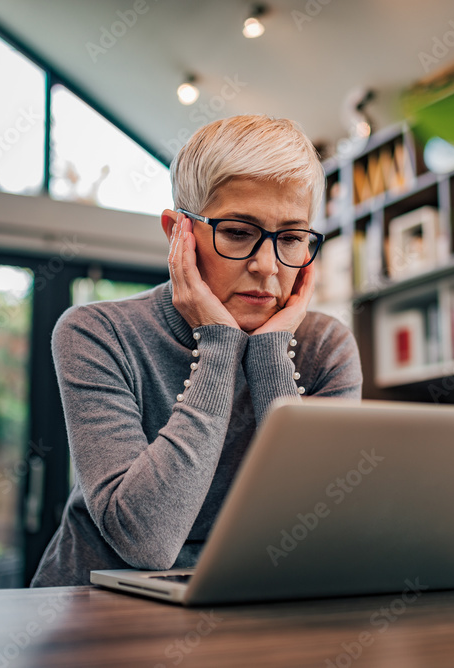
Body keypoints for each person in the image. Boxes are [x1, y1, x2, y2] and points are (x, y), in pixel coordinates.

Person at [30, 115, 363, 587]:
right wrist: (219, 345)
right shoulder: (96, 333)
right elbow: (146, 541)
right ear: (177, 233)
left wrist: (269, 354)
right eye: (238, 232)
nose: (267, 266)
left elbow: (325, 527)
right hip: (93, 609)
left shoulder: (326, 346)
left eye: (291, 238)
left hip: (247, 604)